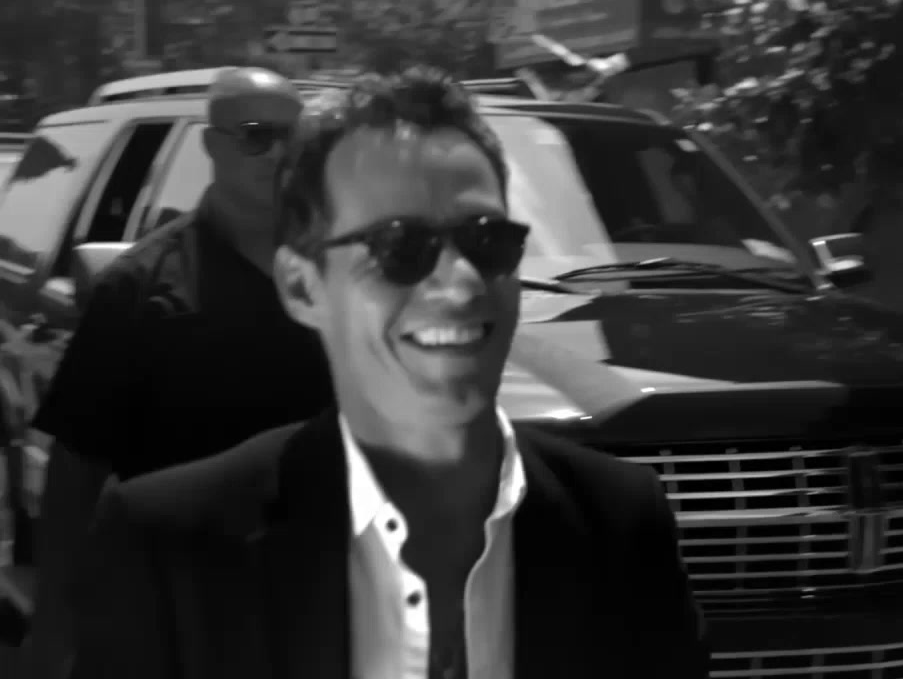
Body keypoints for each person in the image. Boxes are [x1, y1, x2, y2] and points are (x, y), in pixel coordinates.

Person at [67, 66, 708, 679]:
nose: (460, 283)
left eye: (489, 241)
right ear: (303, 286)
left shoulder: (620, 521)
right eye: (401, 247)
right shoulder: (169, 546)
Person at [19, 67, 334, 678]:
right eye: (257, 136)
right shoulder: (141, 287)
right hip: (183, 610)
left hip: (317, 601)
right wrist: (57, 622)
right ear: (211, 144)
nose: (279, 154)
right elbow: (77, 465)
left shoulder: (346, 273)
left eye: (293, 139)